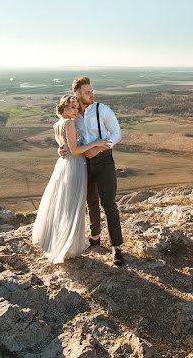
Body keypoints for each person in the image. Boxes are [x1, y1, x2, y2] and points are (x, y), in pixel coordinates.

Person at [32, 94, 110, 264]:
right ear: (64, 109)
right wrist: (96, 143)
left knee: (65, 203)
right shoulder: (68, 123)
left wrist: (62, 150)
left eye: (76, 107)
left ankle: (59, 241)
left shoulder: (57, 124)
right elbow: (74, 150)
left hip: (63, 165)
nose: (76, 111)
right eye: (72, 108)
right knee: (74, 205)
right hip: (74, 165)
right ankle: (68, 245)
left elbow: (63, 147)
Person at [59, 76, 125, 267]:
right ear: (77, 94)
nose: (91, 94)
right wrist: (62, 148)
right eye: (87, 92)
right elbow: (67, 136)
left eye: (92, 91)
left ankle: (117, 247)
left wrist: (100, 148)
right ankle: (95, 238)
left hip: (104, 161)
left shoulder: (102, 109)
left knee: (109, 203)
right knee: (91, 202)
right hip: (83, 163)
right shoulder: (73, 115)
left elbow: (117, 133)